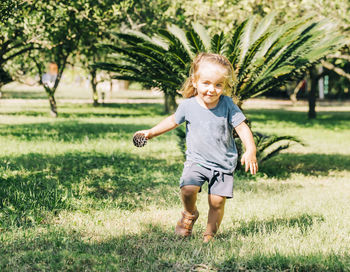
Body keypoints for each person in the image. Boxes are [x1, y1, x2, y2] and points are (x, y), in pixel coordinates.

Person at [134, 52, 258, 243]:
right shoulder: (188, 106)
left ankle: (209, 234)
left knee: (217, 202)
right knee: (188, 189)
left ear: (224, 86)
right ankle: (189, 214)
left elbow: (241, 127)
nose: (212, 89)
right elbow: (172, 121)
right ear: (195, 81)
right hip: (197, 161)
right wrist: (151, 132)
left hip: (223, 163)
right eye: (206, 83)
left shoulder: (227, 105)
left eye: (218, 85)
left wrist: (250, 149)